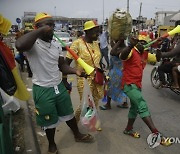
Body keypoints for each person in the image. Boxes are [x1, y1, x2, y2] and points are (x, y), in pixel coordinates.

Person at [15, 13, 94, 154]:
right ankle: (52, 145)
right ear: (37, 27)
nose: (51, 28)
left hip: (58, 86)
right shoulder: (33, 45)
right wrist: (40, 30)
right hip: (43, 89)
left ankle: (77, 135)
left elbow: (61, 66)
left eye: (52, 25)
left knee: (68, 113)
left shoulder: (55, 46)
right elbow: (19, 45)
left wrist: (75, 71)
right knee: (49, 120)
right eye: (47, 25)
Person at [119, 32, 171, 146]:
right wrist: (130, 46)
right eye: (141, 42)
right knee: (142, 105)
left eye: (145, 43)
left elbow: (158, 58)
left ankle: (128, 129)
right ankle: (156, 134)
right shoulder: (131, 51)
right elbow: (122, 56)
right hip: (129, 85)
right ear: (136, 43)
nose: (143, 45)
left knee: (134, 108)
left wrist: (158, 47)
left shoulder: (145, 53)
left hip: (137, 86)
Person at [64, 20, 104, 127]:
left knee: (95, 102)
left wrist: (102, 73)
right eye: (96, 31)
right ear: (88, 31)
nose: (98, 34)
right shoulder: (77, 44)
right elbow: (65, 64)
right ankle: (74, 125)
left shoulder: (96, 44)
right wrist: (64, 80)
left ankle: (92, 121)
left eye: (99, 31)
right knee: (84, 104)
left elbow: (97, 61)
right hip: (84, 80)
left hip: (96, 78)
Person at [99, 38, 128, 110]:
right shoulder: (125, 49)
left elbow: (112, 52)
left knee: (109, 87)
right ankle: (125, 103)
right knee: (123, 88)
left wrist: (117, 42)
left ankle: (108, 104)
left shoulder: (119, 50)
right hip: (123, 72)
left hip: (115, 72)